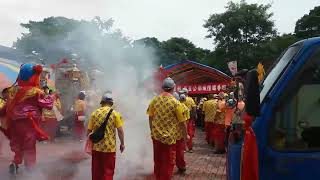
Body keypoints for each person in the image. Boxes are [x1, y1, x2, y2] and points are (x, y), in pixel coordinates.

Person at [1, 63, 53, 174]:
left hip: (14, 122)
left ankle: (15, 162)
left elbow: (6, 106)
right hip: (29, 122)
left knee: (17, 143)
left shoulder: (13, 91)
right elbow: (48, 105)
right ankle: (30, 169)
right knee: (29, 145)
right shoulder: (36, 91)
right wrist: (50, 97)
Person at [147, 77, 188, 180]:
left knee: (158, 161)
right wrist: (185, 136)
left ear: (162, 88)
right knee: (168, 163)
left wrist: (152, 130)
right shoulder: (176, 103)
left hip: (156, 137)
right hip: (169, 139)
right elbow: (182, 123)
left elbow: (150, 117)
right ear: (173, 88)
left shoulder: (154, 100)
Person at [87, 93, 125, 180]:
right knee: (108, 171)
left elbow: (89, 131)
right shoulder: (115, 114)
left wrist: (89, 143)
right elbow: (120, 131)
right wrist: (122, 144)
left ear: (102, 102)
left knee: (96, 171)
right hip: (109, 148)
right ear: (111, 103)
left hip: (96, 147)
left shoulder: (95, 113)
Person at [180, 88, 196, 152]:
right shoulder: (191, 99)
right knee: (189, 133)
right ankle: (190, 148)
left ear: (185, 93)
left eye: (183, 92)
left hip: (182, 119)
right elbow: (194, 108)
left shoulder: (179, 100)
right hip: (189, 119)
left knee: (182, 133)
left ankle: (184, 148)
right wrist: (193, 116)